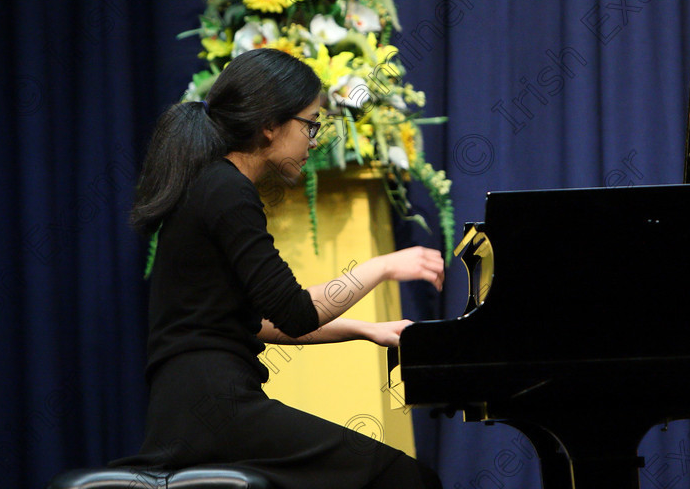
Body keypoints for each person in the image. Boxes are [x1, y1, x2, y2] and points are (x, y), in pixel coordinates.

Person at [111, 48, 444, 489]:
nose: (314, 139)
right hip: (213, 408)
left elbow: (262, 321)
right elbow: (297, 312)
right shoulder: (227, 190)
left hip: (193, 407)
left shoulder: (213, 184)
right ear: (269, 125)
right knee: (403, 478)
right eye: (310, 124)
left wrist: (366, 329)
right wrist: (383, 266)